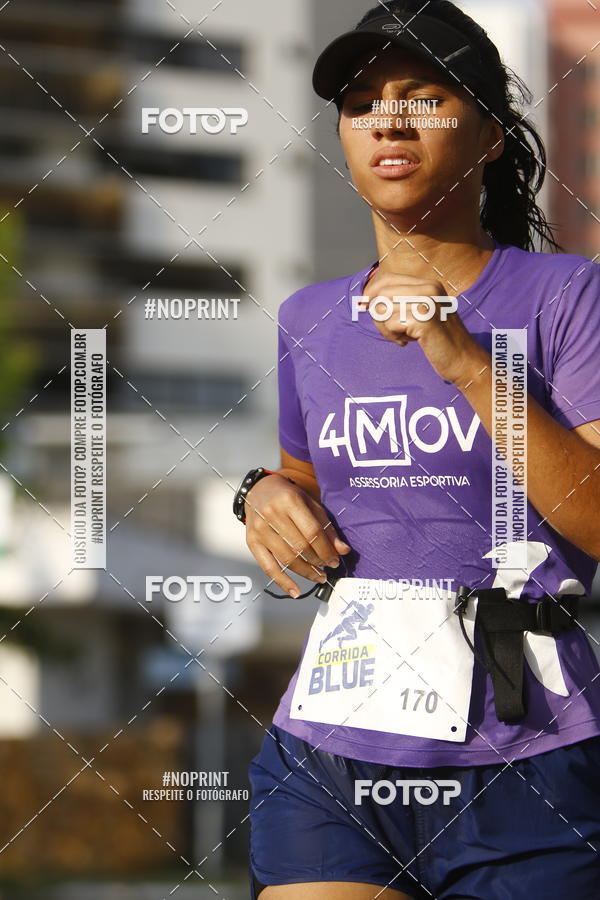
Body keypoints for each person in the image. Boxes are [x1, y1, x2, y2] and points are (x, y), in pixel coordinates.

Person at [237, 2, 600, 897]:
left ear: (489, 140)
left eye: (424, 97)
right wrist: (258, 496)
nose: (388, 120)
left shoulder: (564, 293)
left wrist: (464, 360)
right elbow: (303, 477)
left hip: (526, 749)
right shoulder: (309, 316)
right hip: (335, 739)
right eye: (361, 103)